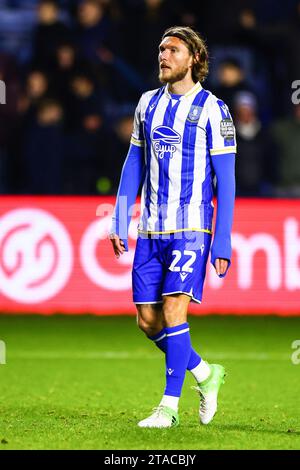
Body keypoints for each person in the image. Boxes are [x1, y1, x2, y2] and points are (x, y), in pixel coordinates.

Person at [109, 26, 236, 428]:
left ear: (193, 59)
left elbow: (226, 181)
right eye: (161, 49)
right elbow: (134, 165)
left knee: (173, 310)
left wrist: (223, 240)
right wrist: (119, 216)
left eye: (173, 50)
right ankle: (205, 373)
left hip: (191, 228)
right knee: (148, 321)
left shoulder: (215, 110)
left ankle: (168, 407)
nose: (163, 55)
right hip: (150, 229)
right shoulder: (147, 104)